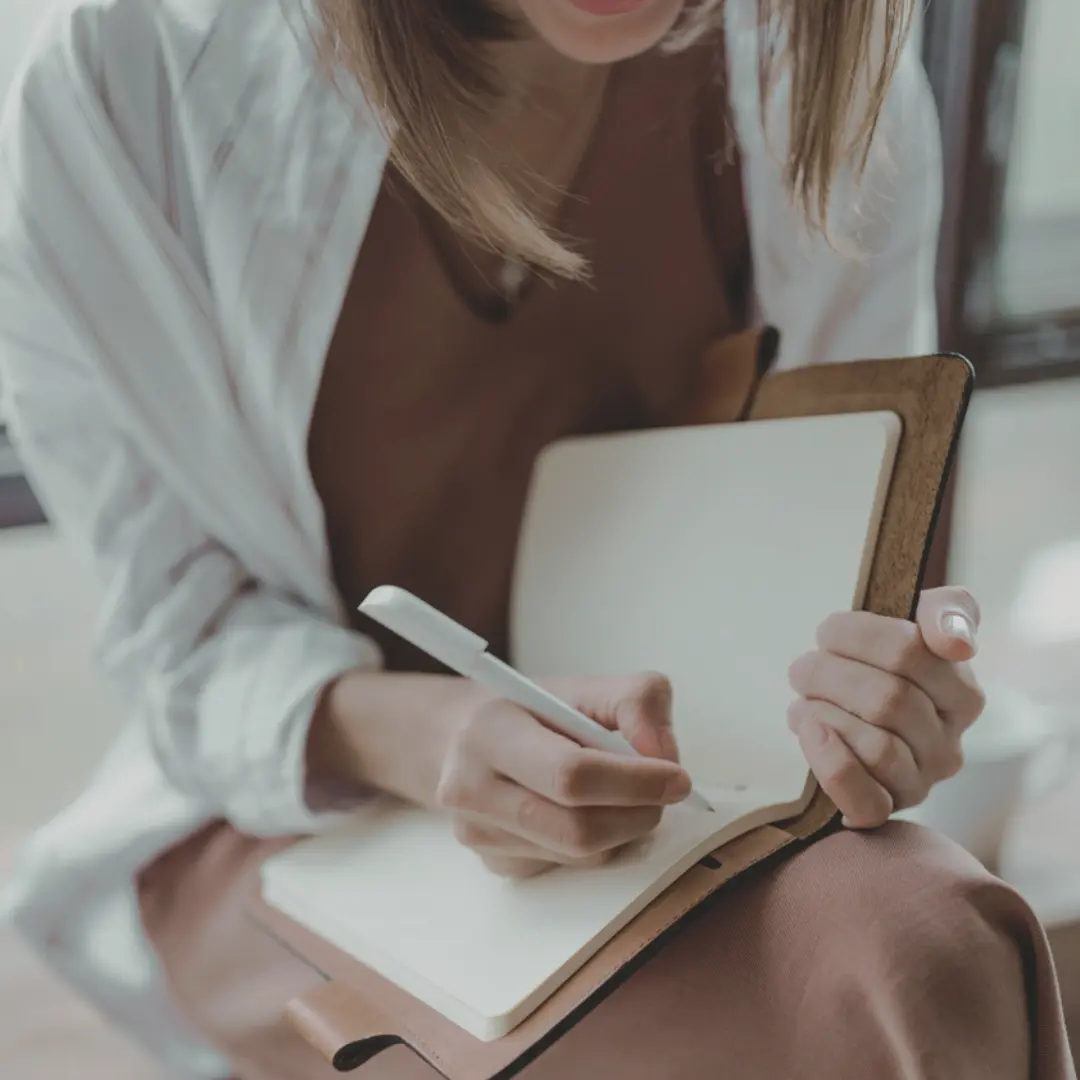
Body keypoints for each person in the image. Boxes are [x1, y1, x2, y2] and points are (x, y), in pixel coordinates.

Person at [0, 0, 1073, 1077]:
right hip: (313, 817)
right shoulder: (122, 68)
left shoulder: (821, 57)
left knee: (924, 950)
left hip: (686, 812)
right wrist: (440, 740)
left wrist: (891, 674)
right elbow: (180, 644)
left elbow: (854, 545)